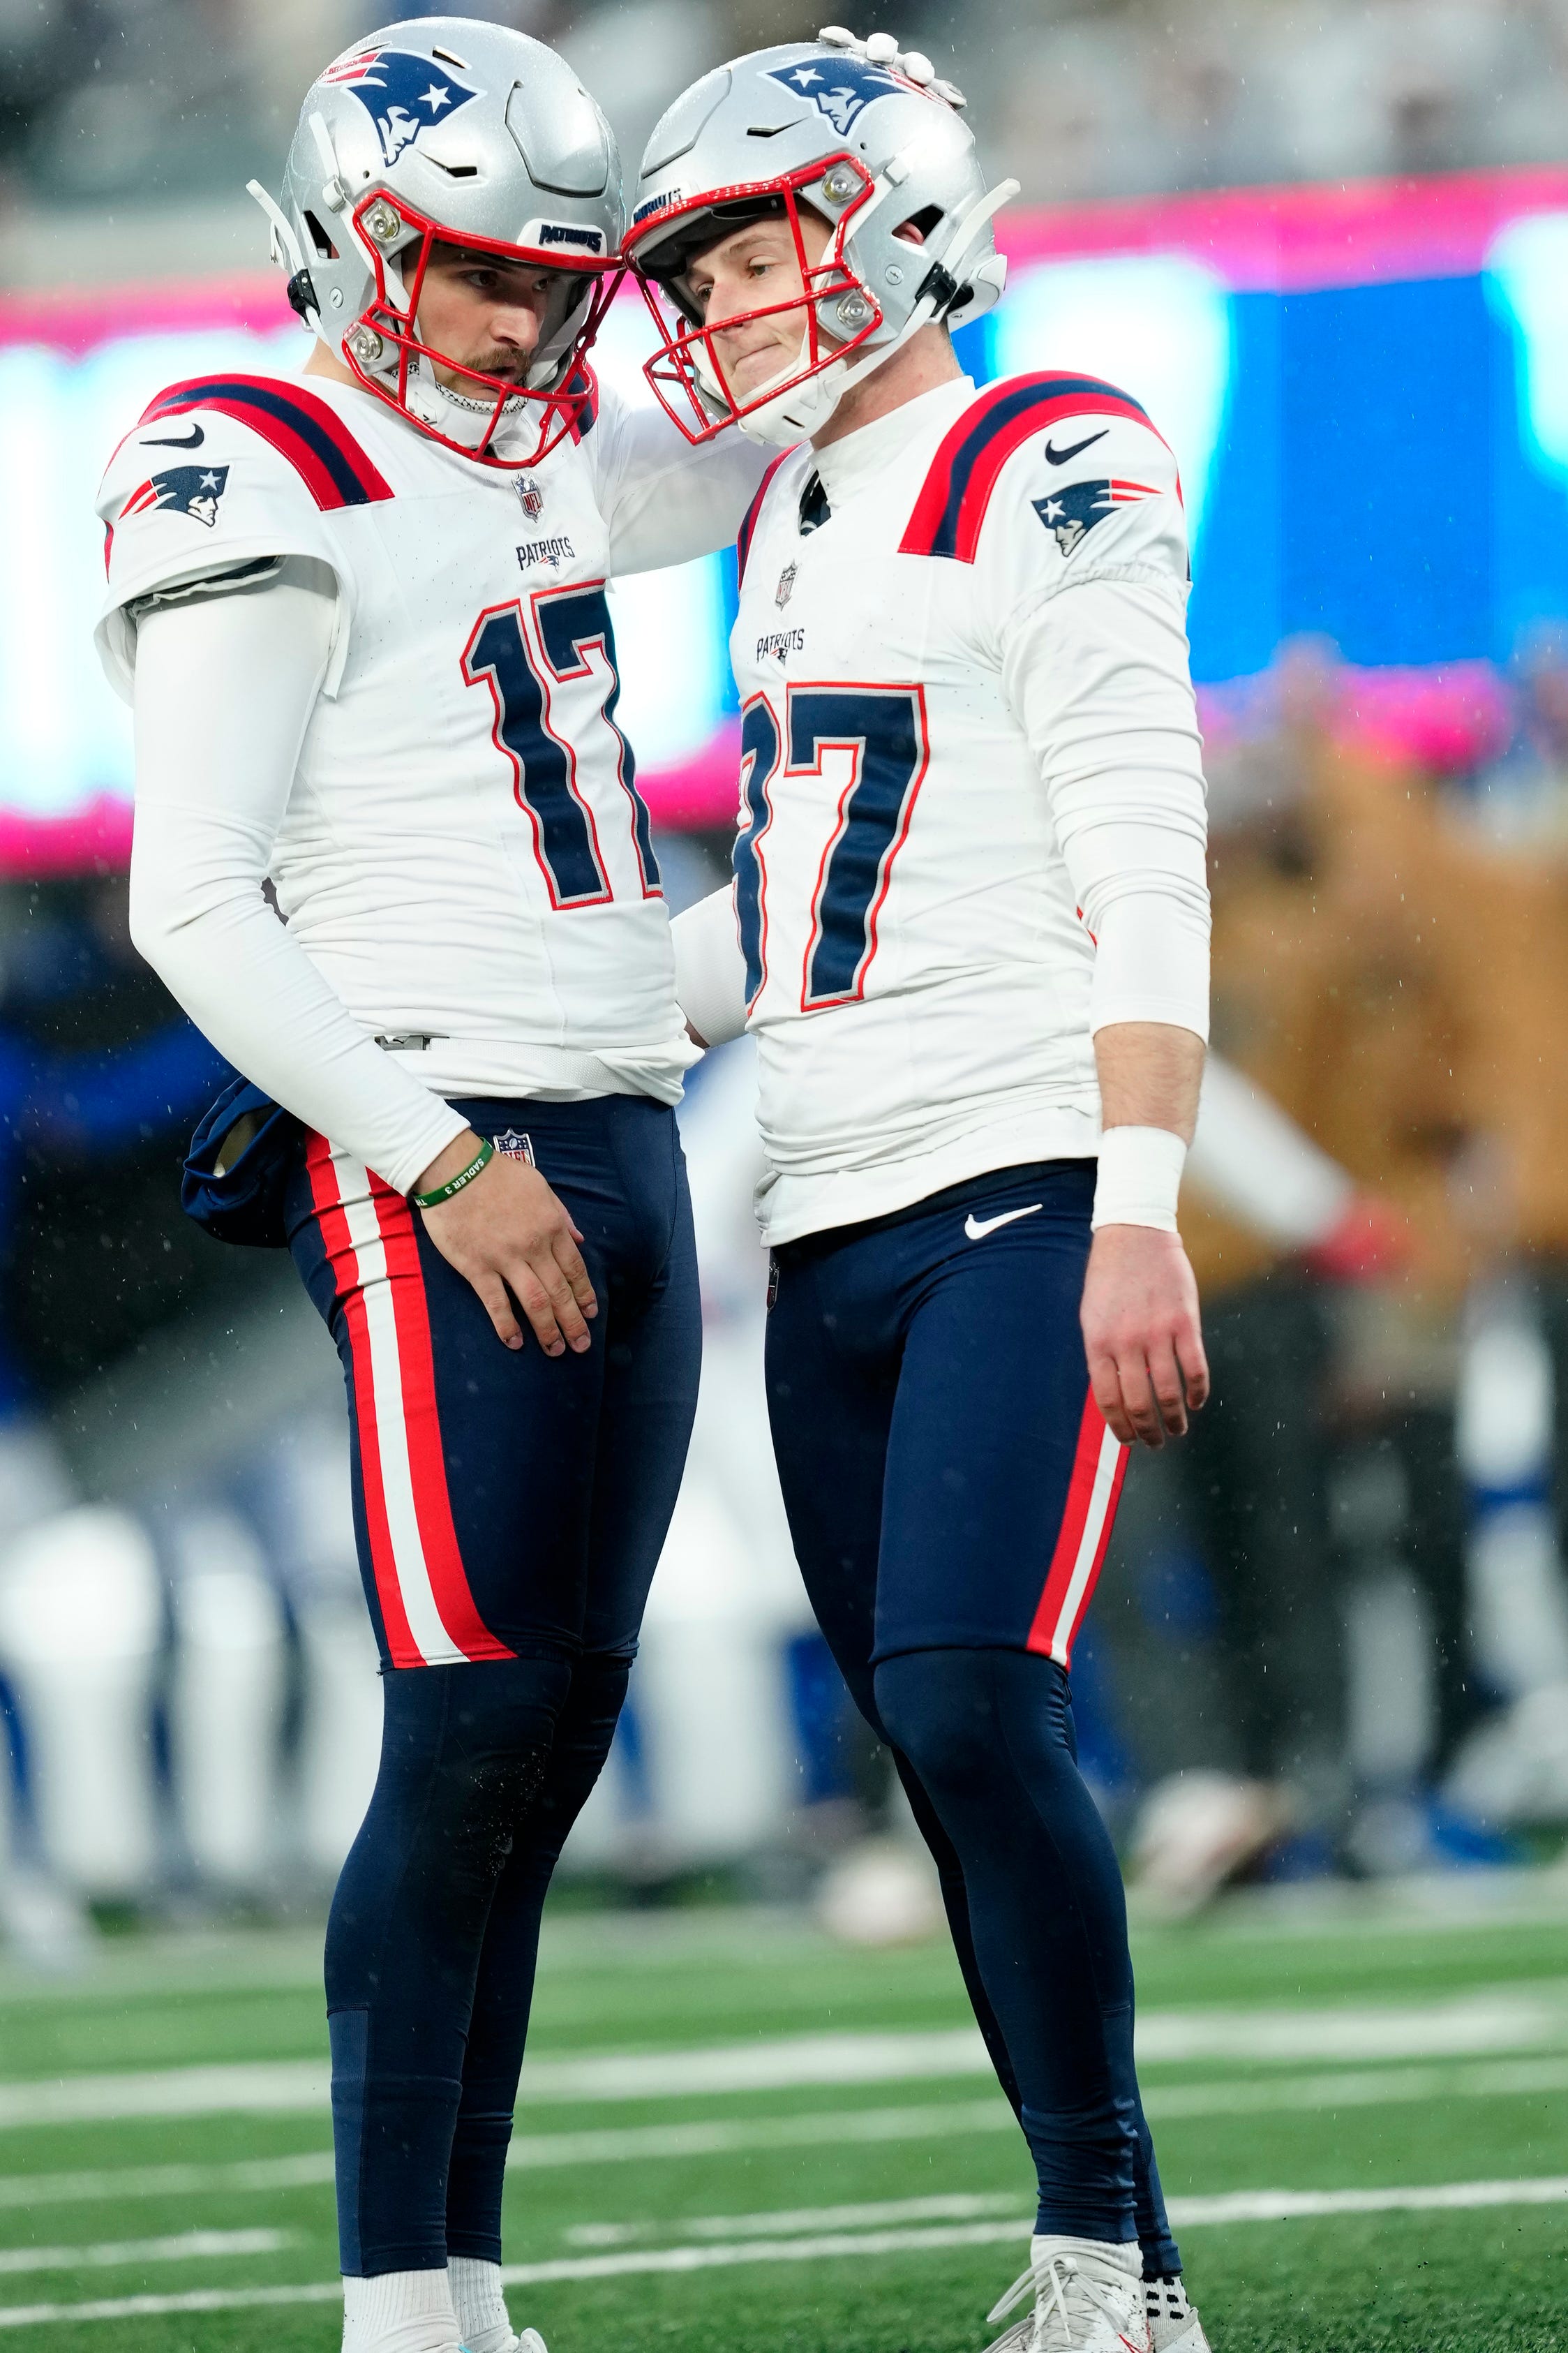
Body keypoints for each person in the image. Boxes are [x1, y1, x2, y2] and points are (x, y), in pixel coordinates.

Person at [93, 20, 765, 2353]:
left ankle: (471, 2284)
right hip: (437, 1136)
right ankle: (403, 2305)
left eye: (548, 285)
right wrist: (442, 1156)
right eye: (477, 278)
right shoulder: (246, 452)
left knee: (554, 1726)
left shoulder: (550, 444)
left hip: (624, 1102)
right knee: (474, 1709)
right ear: (353, 239)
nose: (523, 328)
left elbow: (791, 404)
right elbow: (194, 906)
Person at [625, 27, 1213, 2353]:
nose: (716, 301)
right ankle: (1105, 2263)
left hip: (1021, 1167)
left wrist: (1143, 1192)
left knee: (977, 1704)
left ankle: (1108, 2255)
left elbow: (1143, 861)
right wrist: (454, 1039)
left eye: (742, 244)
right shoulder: (784, 518)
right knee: (933, 1738)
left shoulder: (1045, 452)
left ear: (882, 220)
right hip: (828, 1202)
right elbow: (785, 903)